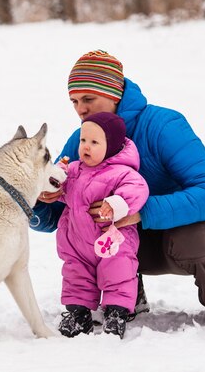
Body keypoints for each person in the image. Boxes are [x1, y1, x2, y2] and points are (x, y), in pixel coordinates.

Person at [34, 50, 205, 328]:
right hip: (120, 245)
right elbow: (58, 216)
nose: (81, 109)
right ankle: (127, 297)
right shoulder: (83, 140)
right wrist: (39, 199)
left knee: (194, 236)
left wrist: (142, 212)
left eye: (89, 99)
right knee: (82, 227)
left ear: (115, 94)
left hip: (178, 239)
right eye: (75, 101)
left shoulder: (164, 125)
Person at [55, 112, 149, 339]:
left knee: (119, 272)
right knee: (76, 275)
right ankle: (79, 314)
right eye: (83, 141)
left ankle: (116, 313)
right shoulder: (75, 170)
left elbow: (137, 190)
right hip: (77, 242)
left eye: (94, 142)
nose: (86, 147)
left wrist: (117, 204)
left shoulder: (123, 172)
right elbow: (59, 186)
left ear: (112, 146)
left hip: (112, 241)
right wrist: (53, 181)